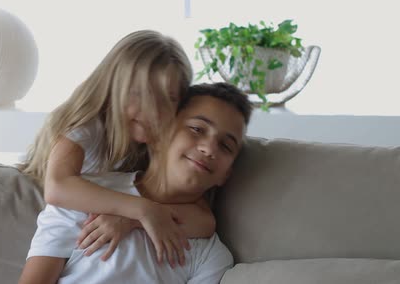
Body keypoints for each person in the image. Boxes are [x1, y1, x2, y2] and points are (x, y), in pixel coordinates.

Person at [18, 82, 253, 283]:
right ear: (160, 133)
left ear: (226, 174)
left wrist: (132, 220)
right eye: (196, 129)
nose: (209, 148)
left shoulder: (210, 254)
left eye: (225, 146)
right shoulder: (84, 195)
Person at [18, 30, 216, 267]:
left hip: (104, 237)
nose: (152, 111)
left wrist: (133, 219)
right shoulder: (87, 126)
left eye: (167, 99)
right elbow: (57, 188)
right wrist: (142, 209)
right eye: (140, 94)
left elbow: (205, 222)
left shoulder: (163, 145)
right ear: (113, 87)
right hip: (63, 219)